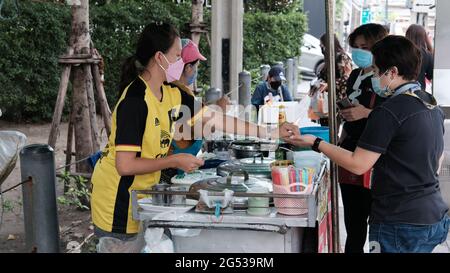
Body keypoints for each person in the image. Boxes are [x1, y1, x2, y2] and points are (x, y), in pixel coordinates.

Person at [91, 23, 292, 244]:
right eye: (177, 56)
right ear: (160, 57)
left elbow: (214, 117)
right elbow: (125, 165)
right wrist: (175, 159)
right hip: (116, 205)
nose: (181, 62)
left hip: (146, 197)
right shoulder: (135, 101)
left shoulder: (171, 92)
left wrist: (270, 132)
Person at [283, 35, 450, 253]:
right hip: (433, 216)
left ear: (392, 72)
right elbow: (438, 160)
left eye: (376, 70)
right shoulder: (430, 104)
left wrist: (316, 143)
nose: (374, 77)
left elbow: (358, 164)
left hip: (399, 222)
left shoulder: (389, 111)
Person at [331, 23, 388, 253]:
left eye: (365, 47)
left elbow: (397, 116)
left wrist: (366, 113)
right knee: (353, 225)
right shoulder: (355, 74)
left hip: (375, 157)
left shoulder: (387, 77)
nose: (359, 52)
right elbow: (349, 118)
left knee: (377, 225)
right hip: (349, 151)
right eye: (356, 47)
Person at [308, 34, 353, 126]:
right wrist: (315, 87)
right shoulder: (330, 57)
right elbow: (323, 77)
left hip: (335, 101)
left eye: (322, 44)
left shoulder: (341, 57)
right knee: (325, 127)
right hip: (325, 99)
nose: (321, 47)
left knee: (332, 129)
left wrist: (329, 85)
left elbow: (347, 78)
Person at [405, 24, 434, 90]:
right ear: (424, 37)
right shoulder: (427, 54)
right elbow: (431, 75)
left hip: (399, 90)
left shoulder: (401, 51)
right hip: (418, 91)